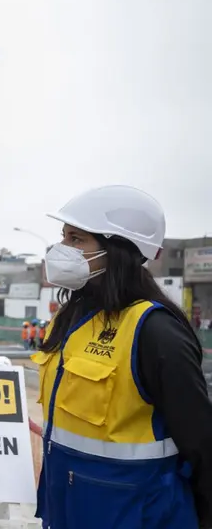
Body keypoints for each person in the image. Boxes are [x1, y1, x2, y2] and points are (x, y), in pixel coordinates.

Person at [32, 185, 212, 529]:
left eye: (76, 239)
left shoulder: (154, 331)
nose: (62, 249)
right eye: (64, 237)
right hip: (68, 510)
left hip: (136, 514)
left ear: (117, 249)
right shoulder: (68, 319)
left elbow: (201, 443)